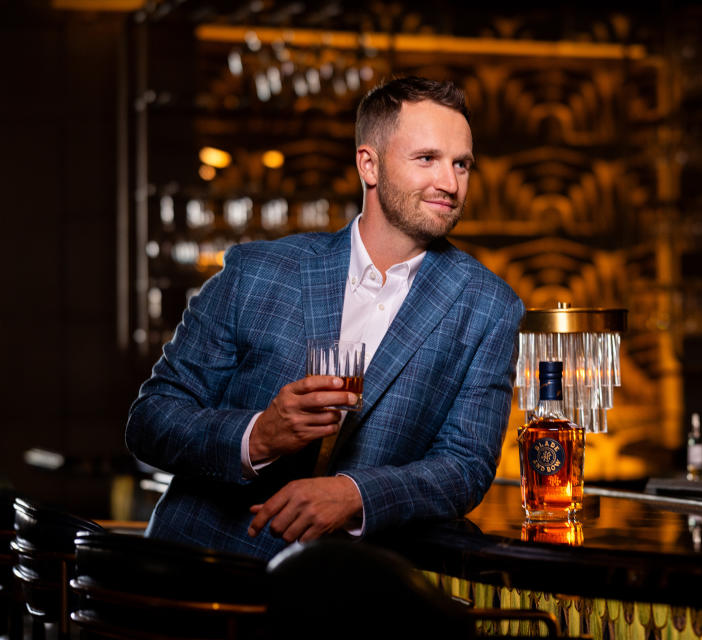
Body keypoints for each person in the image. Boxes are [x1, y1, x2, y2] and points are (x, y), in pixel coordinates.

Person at [126, 76, 525, 560]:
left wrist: (355, 494)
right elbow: (151, 420)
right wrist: (259, 436)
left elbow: (465, 466)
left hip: (341, 596)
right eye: (427, 159)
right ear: (369, 164)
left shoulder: (491, 305)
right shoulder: (258, 271)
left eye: (461, 164)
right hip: (198, 572)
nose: (450, 183)